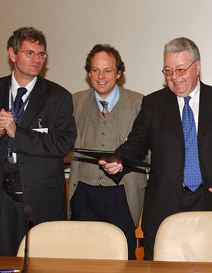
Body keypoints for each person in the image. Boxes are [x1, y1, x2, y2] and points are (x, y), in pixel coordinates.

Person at [99, 37, 212, 260]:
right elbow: (136, 143)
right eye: (167, 71)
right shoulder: (153, 104)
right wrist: (119, 160)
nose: (174, 78)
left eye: (180, 69)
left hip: (210, 204)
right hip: (164, 208)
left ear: (197, 67)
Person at [0, 27, 77, 256]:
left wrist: (18, 132)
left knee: (44, 263)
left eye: (41, 54)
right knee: (7, 261)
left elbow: (63, 144)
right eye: (29, 53)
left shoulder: (58, 97)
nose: (37, 60)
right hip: (2, 197)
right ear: (12, 54)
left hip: (42, 199)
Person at [69, 44, 145, 260]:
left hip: (123, 192)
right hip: (83, 192)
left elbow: (147, 149)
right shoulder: (75, 102)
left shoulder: (139, 103)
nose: (101, 76)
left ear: (119, 73)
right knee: (84, 259)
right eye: (95, 70)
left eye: (108, 70)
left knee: (123, 259)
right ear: (89, 73)